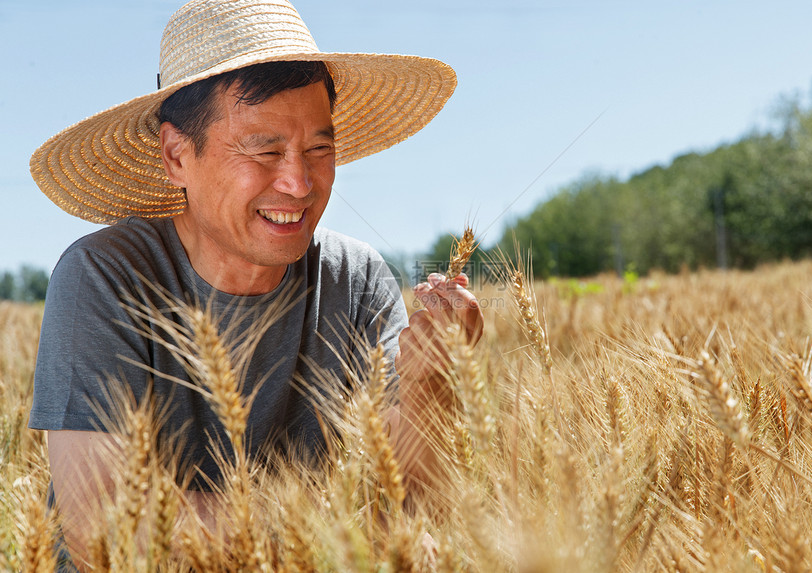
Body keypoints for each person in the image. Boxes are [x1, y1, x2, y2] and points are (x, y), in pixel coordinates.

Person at [27, 0, 482, 569]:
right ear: (176, 156)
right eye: (264, 150)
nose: (298, 182)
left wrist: (430, 380)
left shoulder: (358, 279)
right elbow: (105, 524)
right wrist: (336, 529)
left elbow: (416, 509)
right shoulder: (105, 275)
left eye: (320, 149)